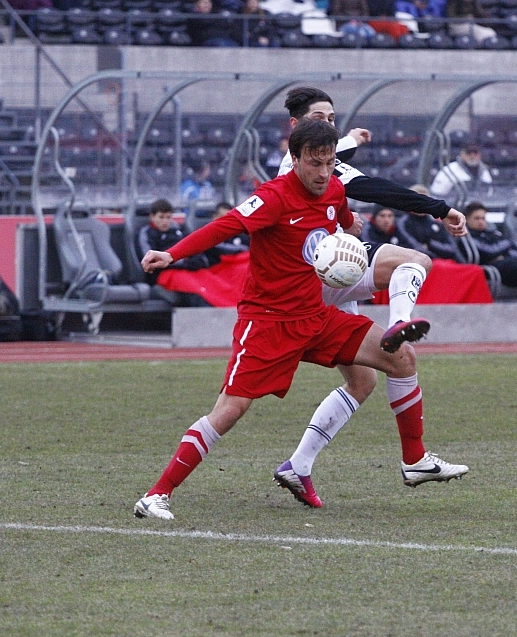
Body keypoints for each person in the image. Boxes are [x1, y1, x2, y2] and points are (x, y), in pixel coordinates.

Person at [133, 119, 468, 519]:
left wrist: (349, 230)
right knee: (230, 410)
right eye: (314, 163)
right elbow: (226, 225)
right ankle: (157, 494)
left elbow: (342, 216)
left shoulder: (334, 189)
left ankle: (414, 460)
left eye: (329, 162)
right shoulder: (273, 196)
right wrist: (172, 254)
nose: (323, 172)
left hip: (315, 316)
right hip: (268, 323)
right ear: (294, 159)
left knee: (401, 357)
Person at [272, 88, 468, 508]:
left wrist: (352, 140)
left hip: (325, 277)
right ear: (296, 127)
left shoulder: (318, 155)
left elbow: (340, 154)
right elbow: (373, 187)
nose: (328, 125)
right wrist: (440, 208)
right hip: (320, 276)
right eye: (319, 119)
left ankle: (298, 464)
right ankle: (399, 323)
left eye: (332, 118)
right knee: (414, 260)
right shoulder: (306, 163)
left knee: (372, 376)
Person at [396, 185, 463, 260]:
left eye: (425, 200)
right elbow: (414, 247)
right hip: (419, 262)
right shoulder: (403, 223)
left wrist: (430, 244)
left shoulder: (437, 223)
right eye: (418, 200)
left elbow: (452, 249)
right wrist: (435, 257)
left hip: (444, 262)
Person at [429, 141, 494, 205]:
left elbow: (490, 193)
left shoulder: (484, 171)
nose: (472, 155)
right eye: (468, 152)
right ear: (462, 154)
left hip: (479, 207)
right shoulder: (449, 170)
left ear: (480, 155)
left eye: (475, 152)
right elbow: (437, 194)